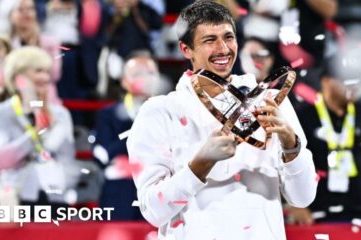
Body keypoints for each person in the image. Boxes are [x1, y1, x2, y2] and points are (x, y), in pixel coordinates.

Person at [127, 1, 317, 239]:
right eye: (209, 40)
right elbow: (153, 211)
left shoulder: (270, 100)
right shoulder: (159, 111)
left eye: (228, 37)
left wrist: (292, 145)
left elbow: (303, 197)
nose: (223, 48)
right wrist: (201, 164)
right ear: (186, 50)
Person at [289, 54, 361, 226]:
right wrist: (293, 205)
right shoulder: (303, 117)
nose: (353, 86)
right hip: (315, 216)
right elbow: (288, 163)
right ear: (327, 81)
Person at [0, 46, 77, 215]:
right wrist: (35, 133)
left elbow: (67, 158)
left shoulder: (60, 114)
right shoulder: (2, 113)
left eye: (47, 72)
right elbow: (1, 160)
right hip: (16, 199)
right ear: (19, 78)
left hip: (54, 197)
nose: (45, 77)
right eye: (38, 71)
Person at [93, 49, 170, 220]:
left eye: (150, 73)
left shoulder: (172, 113)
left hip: (161, 195)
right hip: (120, 195)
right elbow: (103, 155)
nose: (144, 79)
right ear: (124, 82)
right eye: (137, 74)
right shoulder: (109, 114)